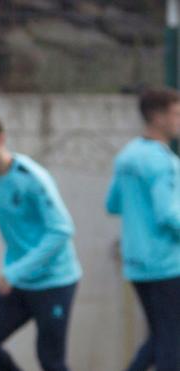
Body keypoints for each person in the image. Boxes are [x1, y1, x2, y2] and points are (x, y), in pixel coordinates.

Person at [0, 112, 82, 371]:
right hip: (20, 281)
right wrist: (16, 270)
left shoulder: (32, 178)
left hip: (54, 281)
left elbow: (61, 230)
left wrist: (16, 270)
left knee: (51, 361)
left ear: (1, 139)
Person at [106, 88, 180, 371]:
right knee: (171, 343)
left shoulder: (128, 156)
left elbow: (113, 203)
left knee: (161, 335)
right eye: (176, 114)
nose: (179, 120)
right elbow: (169, 215)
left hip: (136, 263)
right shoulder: (164, 162)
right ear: (158, 117)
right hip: (166, 265)